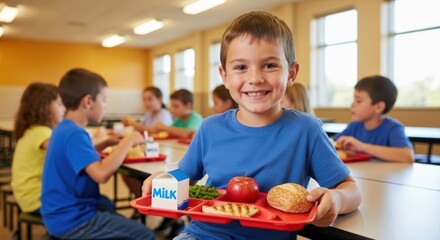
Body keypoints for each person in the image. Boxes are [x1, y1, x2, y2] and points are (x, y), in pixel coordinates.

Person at [142, 11, 361, 240]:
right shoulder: (209, 128)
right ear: (224, 76)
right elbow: (184, 177)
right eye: (240, 67)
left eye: (269, 65)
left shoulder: (307, 130)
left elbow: (350, 189)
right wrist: (162, 179)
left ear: (291, 73)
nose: (255, 78)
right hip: (203, 234)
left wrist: (337, 198)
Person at [41, 68, 155, 239]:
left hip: (58, 212)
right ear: (88, 101)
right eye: (104, 99)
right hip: (72, 219)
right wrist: (128, 141)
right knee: (144, 235)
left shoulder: (64, 128)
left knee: (107, 204)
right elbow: (101, 174)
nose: (105, 105)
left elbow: (79, 157)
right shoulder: (75, 133)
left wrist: (107, 143)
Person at [11, 82, 65, 216]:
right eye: (59, 104)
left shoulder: (32, 130)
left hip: (28, 197)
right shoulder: (41, 132)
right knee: (98, 203)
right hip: (37, 199)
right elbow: (67, 153)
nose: (63, 109)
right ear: (44, 107)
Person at [333, 75, 414, 163]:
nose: (352, 105)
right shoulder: (354, 126)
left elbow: (407, 156)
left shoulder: (393, 128)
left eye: (358, 101)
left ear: (378, 107)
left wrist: (361, 146)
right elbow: (333, 144)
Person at [120, 86, 173, 219]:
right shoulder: (148, 115)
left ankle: (144, 204)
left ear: (160, 99)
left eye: (150, 99)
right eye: (144, 99)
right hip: (148, 154)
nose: (147, 102)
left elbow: (153, 130)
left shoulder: (164, 114)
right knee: (127, 173)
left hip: (162, 155)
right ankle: (139, 199)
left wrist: (134, 124)